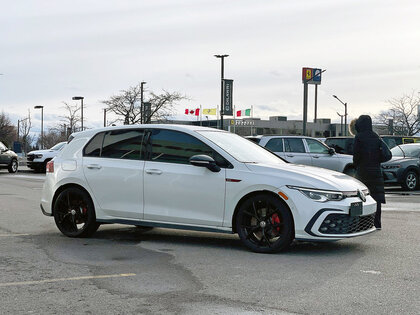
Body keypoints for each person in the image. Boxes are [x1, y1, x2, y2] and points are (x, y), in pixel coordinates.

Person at [353, 115, 392, 229]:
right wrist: (377, 160)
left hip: (363, 172)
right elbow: (388, 154)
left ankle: (363, 224)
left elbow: (356, 156)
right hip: (376, 172)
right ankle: (377, 223)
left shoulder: (359, 137)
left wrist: (357, 166)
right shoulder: (376, 137)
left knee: (363, 197)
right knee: (376, 198)